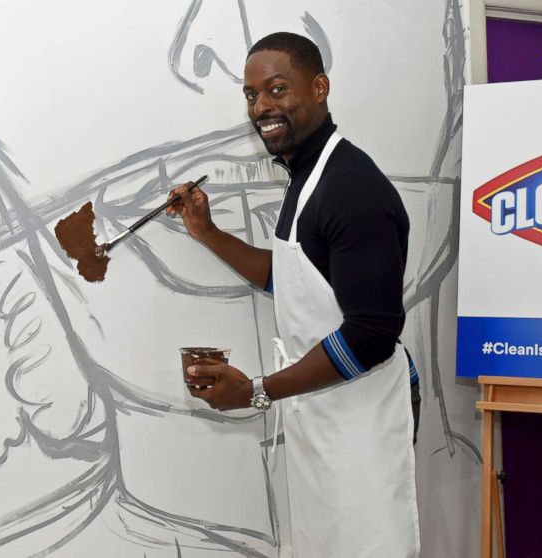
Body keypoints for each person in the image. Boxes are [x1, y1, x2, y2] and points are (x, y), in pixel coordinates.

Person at [167, 32, 421, 557]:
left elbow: (372, 335)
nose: (262, 107)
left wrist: (256, 391)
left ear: (320, 87)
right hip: (320, 418)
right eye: (252, 95)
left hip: (361, 417)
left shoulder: (351, 188)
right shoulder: (306, 176)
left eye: (277, 89)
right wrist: (207, 231)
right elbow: (297, 278)